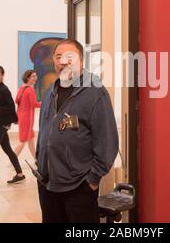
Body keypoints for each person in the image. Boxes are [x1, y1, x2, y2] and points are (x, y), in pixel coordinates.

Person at [35, 39, 119, 223]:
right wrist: (40, 159)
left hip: (79, 188)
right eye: (58, 57)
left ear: (81, 61)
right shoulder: (50, 91)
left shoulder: (95, 93)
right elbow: (44, 130)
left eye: (69, 57)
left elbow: (107, 142)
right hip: (48, 185)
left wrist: (93, 179)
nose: (62, 61)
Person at [14, 70, 41, 160]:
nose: (35, 78)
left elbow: (16, 100)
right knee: (22, 141)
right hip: (27, 119)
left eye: (35, 76)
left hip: (21, 117)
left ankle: (36, 159)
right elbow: (34, 104)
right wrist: (45, 103)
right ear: (28, 78)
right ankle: (13, 161)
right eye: (33, 76)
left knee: (30, 140)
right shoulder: (30, 90)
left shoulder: (22, 88)